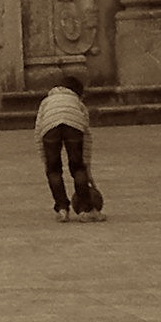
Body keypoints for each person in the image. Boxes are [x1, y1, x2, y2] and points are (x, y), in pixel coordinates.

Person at [38, 73, 103, 221]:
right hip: (74, 125)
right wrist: (87, 168)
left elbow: (38, 133)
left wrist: (46, 161)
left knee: (53, 170)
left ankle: (62, 209)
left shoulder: (46, 102)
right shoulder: (78, 103)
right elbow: (86, 136)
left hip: (50, 127)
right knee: (77, 168)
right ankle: (86, 210)